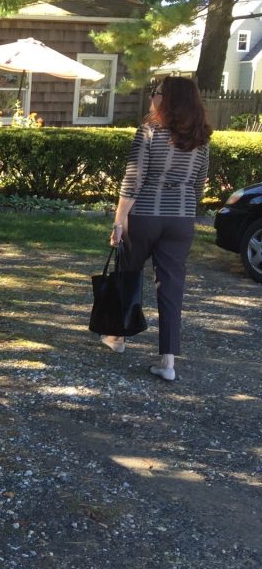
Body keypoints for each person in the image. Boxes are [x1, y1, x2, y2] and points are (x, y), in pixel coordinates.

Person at [101, 76, 211, 381]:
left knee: (128, 273)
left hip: (146, 214)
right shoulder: (202, 138)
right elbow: (200, 186)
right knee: (172, 287)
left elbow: (133, 179)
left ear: (170, 98)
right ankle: (168, 361)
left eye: (157, 92)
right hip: (181, 219)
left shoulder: (149, 131)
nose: (152, 97)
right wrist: (183, 203)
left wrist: (120, 219)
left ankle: (117, 336)